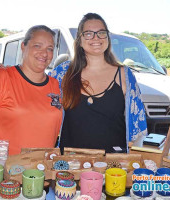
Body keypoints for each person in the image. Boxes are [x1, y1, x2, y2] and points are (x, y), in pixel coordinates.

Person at [49, 13, 147, 153]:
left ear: (107, 37)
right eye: (89, 33)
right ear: (80, 39)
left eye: (101, 33)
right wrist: (7, 71)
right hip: (70, 164)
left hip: (114, 167)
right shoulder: (62, 73)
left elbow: (138, 128)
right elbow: (36, 92)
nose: (96, 38)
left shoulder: (124, 74)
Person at [0, 25, 63, 155]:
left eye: (50, 48)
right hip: (4, 171)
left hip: (42, 171)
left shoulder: (55, 85)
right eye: (37, 46)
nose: (44, 53)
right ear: (23, 46)